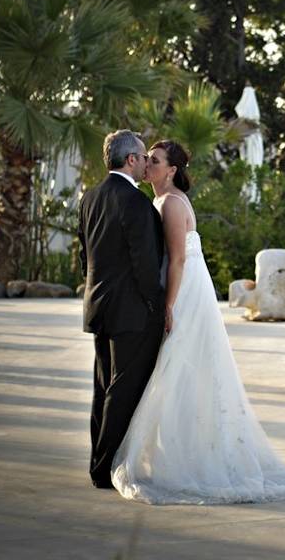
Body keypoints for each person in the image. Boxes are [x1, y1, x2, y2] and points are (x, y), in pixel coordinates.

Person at [111, 140, 285, 505]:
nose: (148, 164)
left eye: (156, 161)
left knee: (180, 367)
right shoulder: (161, 201)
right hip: (184, 285)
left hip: (186, 291)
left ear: (172, 170)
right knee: (178, 370)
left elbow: (177, 260)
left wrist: (169, 305)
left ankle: (189, 458)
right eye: (147, 159)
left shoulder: (172, 204)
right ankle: (177, 450)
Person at [78, 130, 165, 490]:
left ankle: (98, 462)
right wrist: (156, 306)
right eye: (144, 157)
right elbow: (145, 264)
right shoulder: (136, 203)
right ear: (131, 160)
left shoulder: (90, 198)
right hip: (132, 311)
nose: (147, 163)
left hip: (98, 306)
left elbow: (84, 255)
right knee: (123, 388)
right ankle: (104, 468)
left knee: (104, 386)